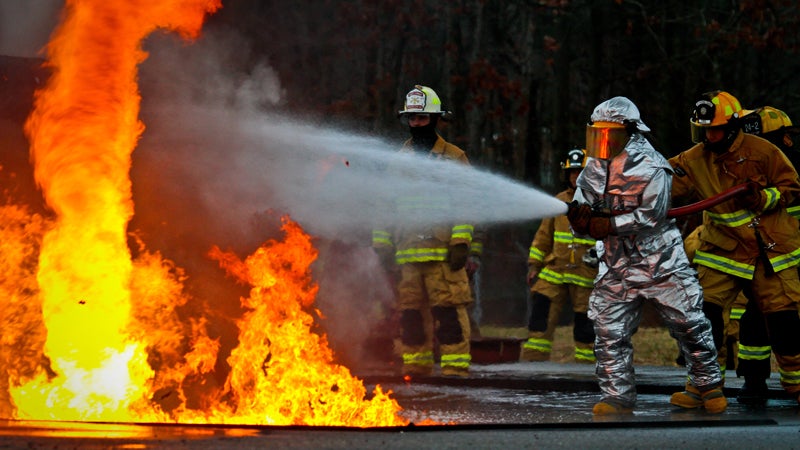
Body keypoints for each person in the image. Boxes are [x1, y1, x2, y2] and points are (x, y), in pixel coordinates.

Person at [566, 96, 725, 415]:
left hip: (661, 263)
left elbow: (652, 216)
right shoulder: (593, 167)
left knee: (690, 324)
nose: (602, 141)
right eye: (596, 134)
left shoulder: (652, 166)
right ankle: (616, 395)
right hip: (616, 267)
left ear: (630, 132)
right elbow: (583, 208)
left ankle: (707, 385)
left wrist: (608, 224)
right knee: (608, 329)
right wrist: (580, 221)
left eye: (608, 134)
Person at [668, 90, 800, 408]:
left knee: (784, 322)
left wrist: (762, 197)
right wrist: (620, 193)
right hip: (722, 250)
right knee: (702, 315)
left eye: (714, 130)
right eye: (703, 131)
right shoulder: (695, 158)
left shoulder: (763, 151)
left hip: (768, 251)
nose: (708, 137)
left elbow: (791, 187)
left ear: (732, 127)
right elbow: (663, 183)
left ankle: (796, 384)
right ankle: (702, 386)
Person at [372, 85, 475, 378]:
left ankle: (455, 374)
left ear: (436, 119)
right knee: (411, 317)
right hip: (407, 257)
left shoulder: (454, 158)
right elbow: (384, 207)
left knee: (449, 314)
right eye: (412, 119)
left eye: (422, 118)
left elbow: (467, 203)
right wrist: (381, 245)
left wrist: (460, 241)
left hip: (444, 257)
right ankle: (416, 373)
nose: (417, 124)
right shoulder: (396, 163)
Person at [522, 148, 597, 363]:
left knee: (586, 324)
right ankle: (533, 365)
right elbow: (543, 237)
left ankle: (587, 369)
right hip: (555, 270)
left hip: (586, 274)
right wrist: (534, 265)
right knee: (540, 316)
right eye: (572, 172)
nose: (576, 177)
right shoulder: (558, 201)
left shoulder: (600, 203)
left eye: (580, 172)